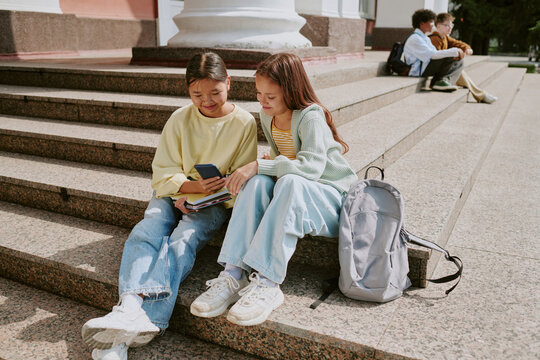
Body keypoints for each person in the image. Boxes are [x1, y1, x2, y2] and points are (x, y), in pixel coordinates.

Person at [81, 52, 258, 359]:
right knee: (148, 228)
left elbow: (239, 182)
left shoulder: (243, 123)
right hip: (173, 192)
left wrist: (204, 193)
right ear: (187, 91)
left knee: (182, 240)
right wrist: (186, 190)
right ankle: (131, 308)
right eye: (197, 94)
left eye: (215, 92)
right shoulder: (180, 118)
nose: (207, 101)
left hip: (213, 203)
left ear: (229, 83)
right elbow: (162, 172)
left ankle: (130, 325)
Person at [190, 53, 358, 326]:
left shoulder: (310, 116)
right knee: (256, 182)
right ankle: (233, 274)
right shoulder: (268, 117)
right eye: (259, 94)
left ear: (291, 91)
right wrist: (259, 168)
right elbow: (283, 160)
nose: (262, 101)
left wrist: (258, 164)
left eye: (271, 96)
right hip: (298, 196)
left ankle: (268, 283)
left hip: (331, 202)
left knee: (283, 179)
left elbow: (311, 168)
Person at [430, 13, 498, 103]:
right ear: (438, 26)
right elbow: (436, 58)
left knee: (462, 73)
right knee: (460, 71)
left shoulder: (445, 38)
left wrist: (467, 48)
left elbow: (458, 43)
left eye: (451, 25)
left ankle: (482, 95)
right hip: (437, 72)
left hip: (443, 71)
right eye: (447, 25)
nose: (450, 28)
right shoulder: (435, 39)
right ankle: (482, 95)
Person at [404, 9, 464, 92]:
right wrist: (455, 50)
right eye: (431, 22)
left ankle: (442, 82)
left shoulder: (424, 37)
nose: (433, 24)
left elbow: (435, 53)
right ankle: (438, 82)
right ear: (422, 23)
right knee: (451, 56)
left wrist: (455, 51)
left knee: (459, 60)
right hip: (418, 71)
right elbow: (432, 55)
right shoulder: (415, 38)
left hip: (427, 66)